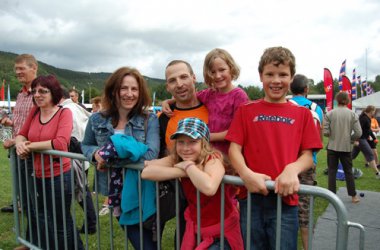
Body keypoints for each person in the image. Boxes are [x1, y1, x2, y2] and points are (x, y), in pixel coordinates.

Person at [226, 46, 322, 250]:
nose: (276, 80)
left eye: (283, 75)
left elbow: (307, 155)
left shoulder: (303, 115)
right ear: (261, 76)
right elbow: (234, 149)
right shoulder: (245, 111)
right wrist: (245, 173)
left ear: (291, 77)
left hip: (285, 202)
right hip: (250, 199)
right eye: (270, 74)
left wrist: (292, 169)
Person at [81, 67, 160, 249]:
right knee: (141, 242)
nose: (129, 94)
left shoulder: (149, 119)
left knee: (147, 244)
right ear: (113, 90)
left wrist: (108, 155)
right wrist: (95, 154)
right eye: (124, 88)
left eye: (134, 89)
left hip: (143, 190)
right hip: (114, 193)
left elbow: (150, 154)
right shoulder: (96, 119)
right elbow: (86, 145)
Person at [142, 117, 243, 249]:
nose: (185, 148)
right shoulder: (179, 159)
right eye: (181, 142)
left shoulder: (213, 159)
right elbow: (147, 171)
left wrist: (188, 167)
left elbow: (209, 187)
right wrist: (184, 171)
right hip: (199, 227)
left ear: (204, 143)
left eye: (192, 142)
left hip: (222, 232)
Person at [15, 75, 84, 250]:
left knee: (61, 221)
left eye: (43, 91)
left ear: (53, 93)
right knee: (43, 217)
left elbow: (60, 143)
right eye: (35, 91)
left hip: (59, 176)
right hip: (36, 174)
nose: (37, 95)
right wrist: (19, 144)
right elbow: (21, 133)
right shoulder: (35, 111)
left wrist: (29, 147)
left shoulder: (64, 113)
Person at [162, 48, 249, 155]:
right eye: (212, 72)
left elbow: (239, 131)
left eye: (222, 70)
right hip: (209, 154)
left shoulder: (239, 96)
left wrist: (206, 136)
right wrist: (168, 102)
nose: (217, 75)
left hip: (230, 154)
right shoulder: (209, 94)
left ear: (231, 68)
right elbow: (189, 95)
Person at [159, 60, 209, 243]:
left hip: (215, 196)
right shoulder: (164, 118)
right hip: (182, 198)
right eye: (172, 80)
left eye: (183, 77)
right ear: (167, 86)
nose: (179, 84)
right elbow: (160, 155)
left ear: (194, 78)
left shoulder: (212, 109)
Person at [0, 54, 38, 250]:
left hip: (34, 155)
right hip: (18, 153)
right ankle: (31, 241)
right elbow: (23, 123)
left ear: (34, 68)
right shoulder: (22, 95)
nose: (17, 72)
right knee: (26, 201)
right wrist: (10, 123)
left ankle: (36, 242)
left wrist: (15, 140)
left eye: (21, 68)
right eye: (16, 69)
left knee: (37, 202)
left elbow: (39, 125)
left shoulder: (41, 93)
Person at [290, 74, 323, 250]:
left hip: (288, 162)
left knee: (284, 205)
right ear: (306, 89)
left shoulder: (286, 105)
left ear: (290, 88)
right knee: (305, 211)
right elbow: (319, 138)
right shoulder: (317, 108)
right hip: (310, 162)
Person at [60, 89, 97, 234]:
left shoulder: (65, 109)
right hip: (82, 155)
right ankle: (90, 224)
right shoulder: (78, 107)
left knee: (77, 192)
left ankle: (88, 224)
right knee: (82, 191)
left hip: (72, 156)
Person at [324, 92, 362, 203]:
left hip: (332, 147)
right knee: (348, 172)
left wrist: (332, 135)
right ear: (347, 100)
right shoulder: (352, 114)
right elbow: (359, 132)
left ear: (337, 100)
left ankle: (332, 197)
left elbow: (325, 132)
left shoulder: (330, 113)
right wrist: (350, 139)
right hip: (346, 148)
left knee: (332, 171)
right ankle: (354, 196)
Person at [352, 105, 380, 177]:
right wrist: (356, 140)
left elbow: (368, 130)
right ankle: (377, 173)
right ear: (371, 111)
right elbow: (358, 129)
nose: (374, 113)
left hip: (363, 139)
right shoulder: (363, 118)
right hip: (361, 139)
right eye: (374, 111)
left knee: (352, 155)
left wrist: (374, 138)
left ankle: (340, 166)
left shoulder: (368, 118)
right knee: (370, 154)